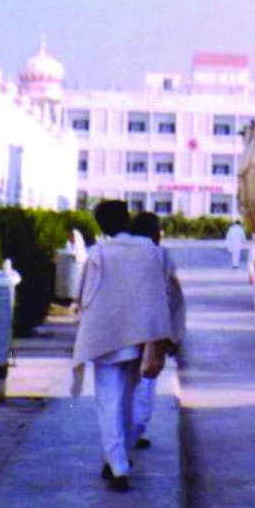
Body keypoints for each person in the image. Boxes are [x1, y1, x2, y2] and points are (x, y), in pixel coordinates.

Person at [72, 200, 185, 491]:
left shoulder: (97, 254)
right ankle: (118, 457)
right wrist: (169, 334)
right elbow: (167, 293)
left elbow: (83, 297)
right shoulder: (152, 252)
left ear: (102, 226)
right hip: (139, 338)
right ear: (127, 219)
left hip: (105, 339)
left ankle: (118, 465)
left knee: (108, 402)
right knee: (125, 401)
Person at [126, 211, 166, 452]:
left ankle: (125, 440)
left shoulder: (117, 253)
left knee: (125, 388)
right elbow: (169, 297)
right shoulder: (158, 256)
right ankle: (133, 433)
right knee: (145, 385)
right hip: (148, 331)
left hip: (120, 332)